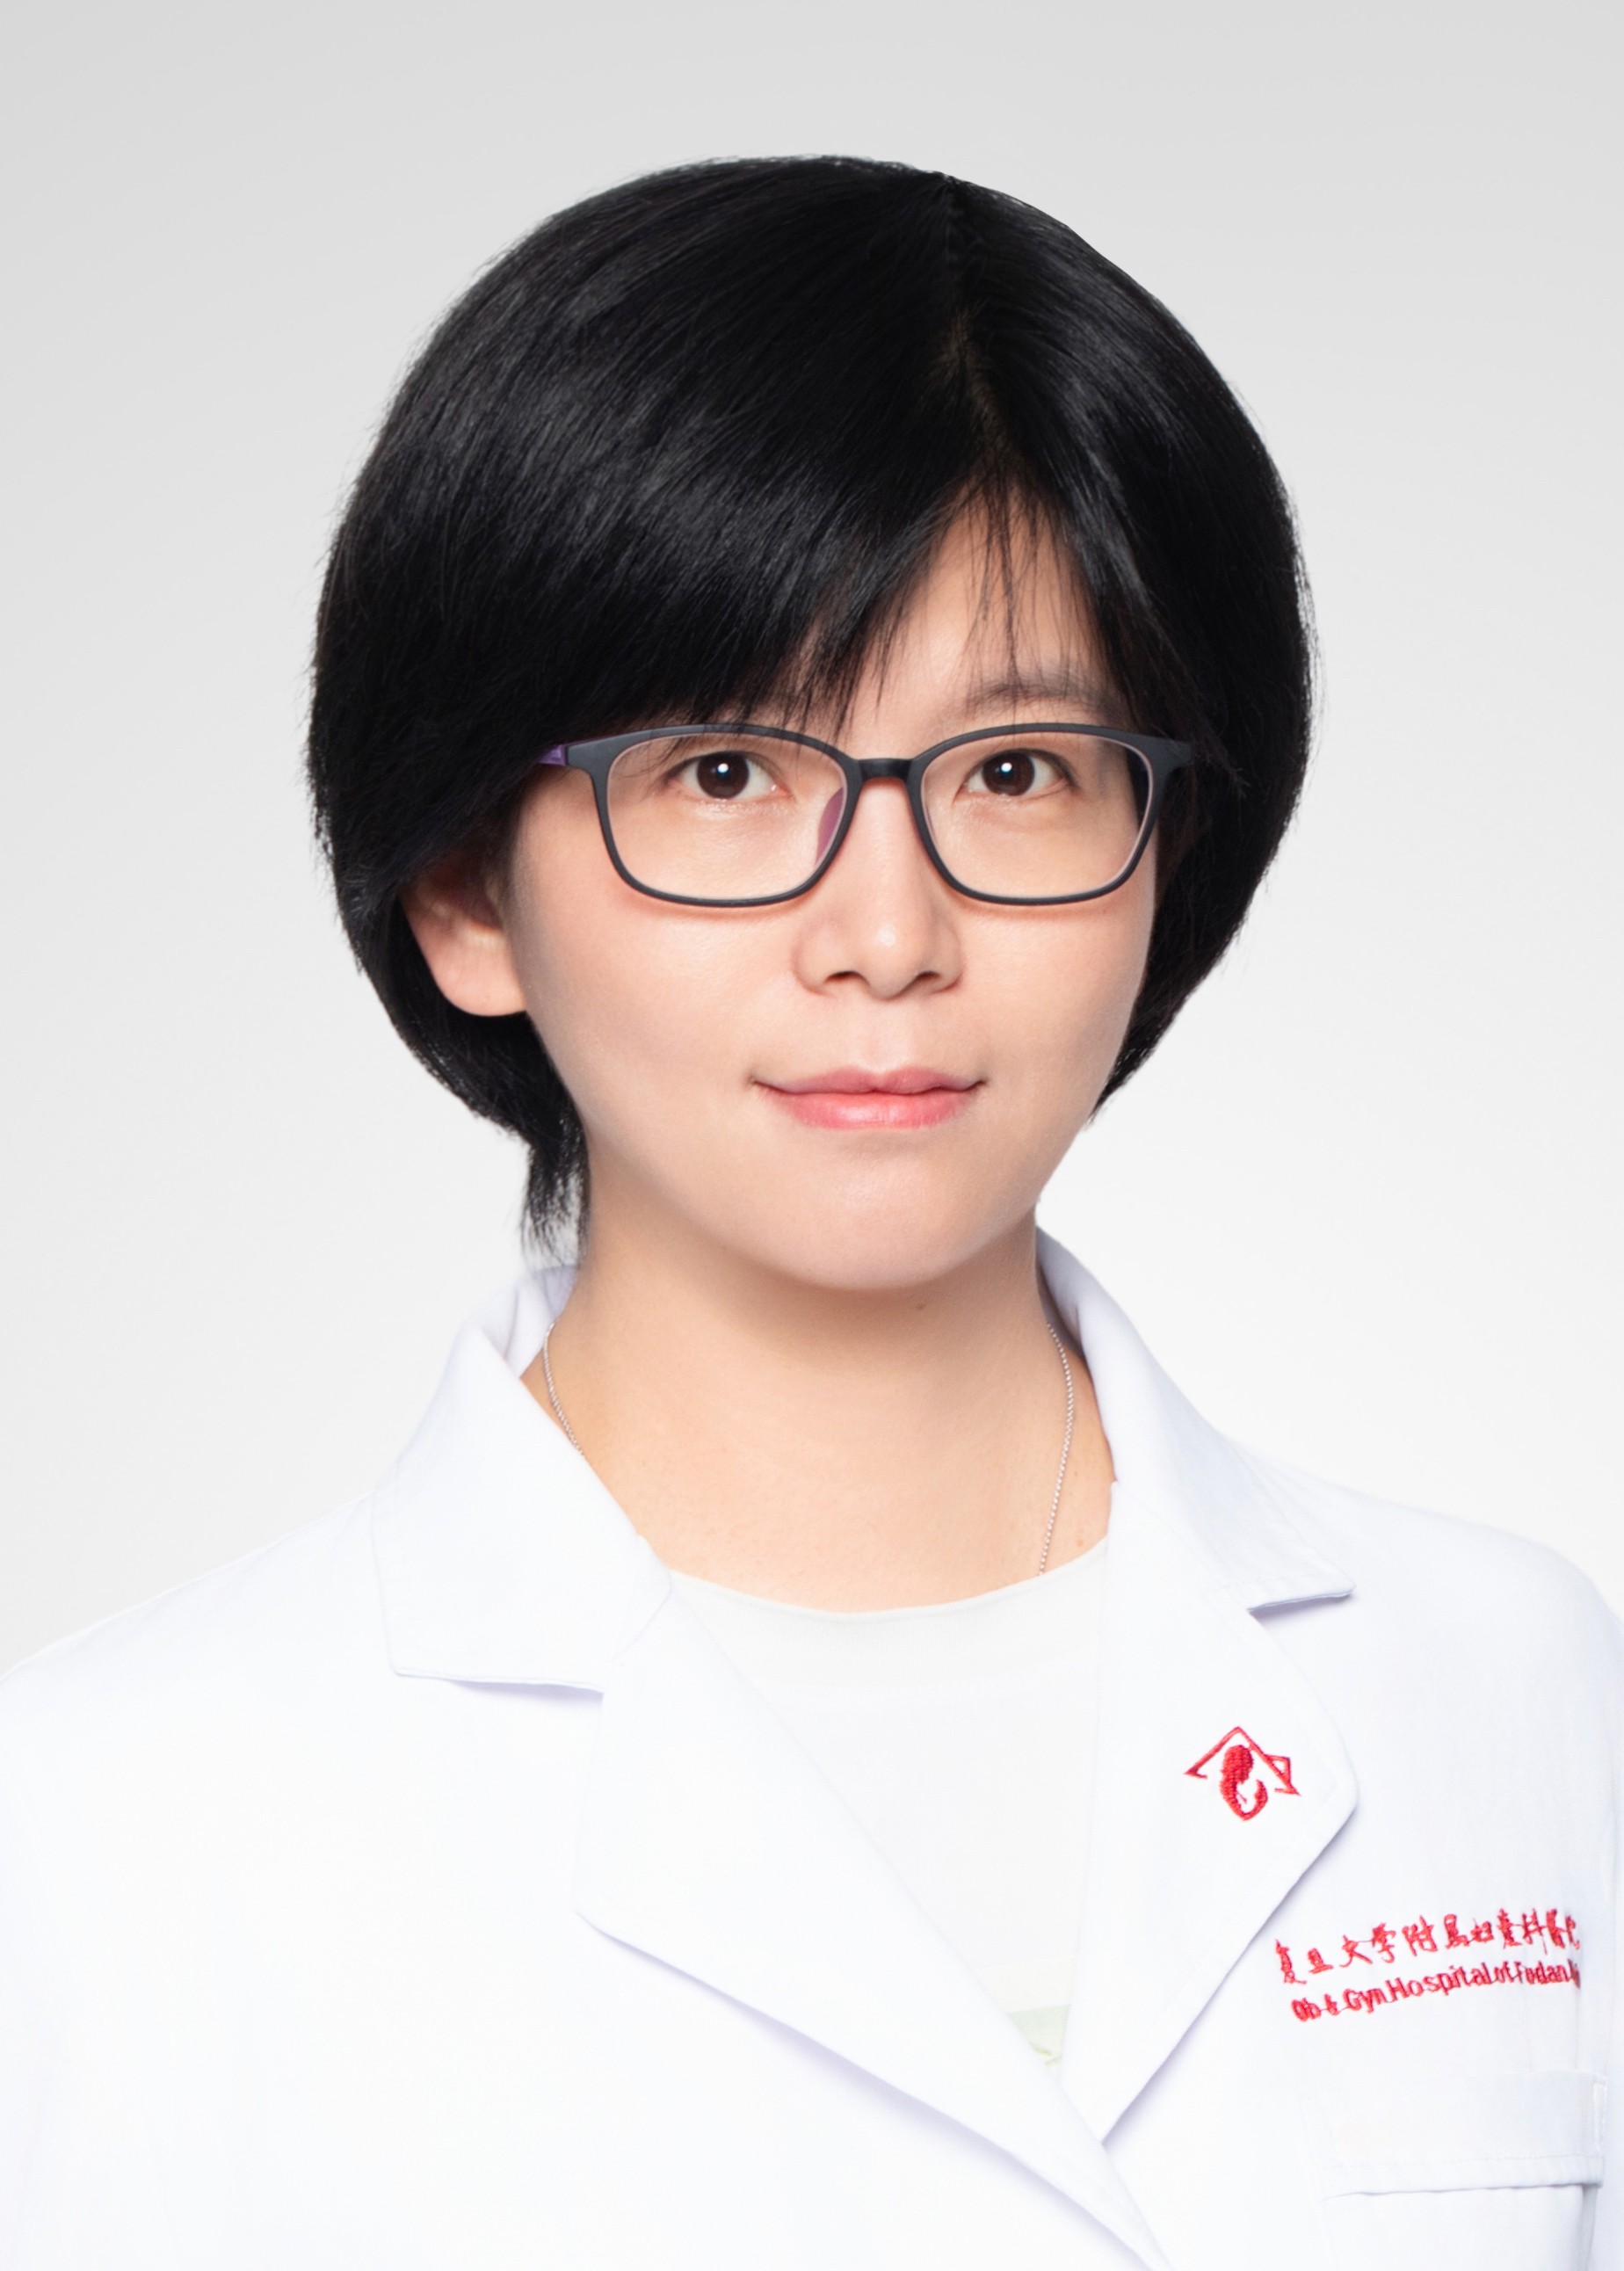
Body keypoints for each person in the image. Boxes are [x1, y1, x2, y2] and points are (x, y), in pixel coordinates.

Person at [0, 157, 1616, 2271]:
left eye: (1019, 771)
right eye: (725, 772)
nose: (886, 931)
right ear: (467, 887)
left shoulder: (1520, 1693)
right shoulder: (103, 1825)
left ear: (1169, 853)